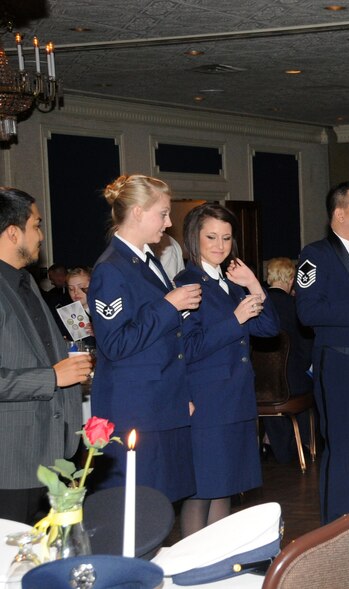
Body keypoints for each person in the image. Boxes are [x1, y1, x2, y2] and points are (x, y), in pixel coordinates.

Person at [88, 174, 203, 502]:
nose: (168, 223)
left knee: (163, 505)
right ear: (137, 212)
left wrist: (182, 394)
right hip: (136, 409)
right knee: (140, 509)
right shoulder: (111, 268)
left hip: (162, 403)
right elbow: (115, 344)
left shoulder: (147, 260)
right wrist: (169, 306)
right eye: (163, 213)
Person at [175, 203, 279, 536]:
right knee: (201, 491)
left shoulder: (231, 282)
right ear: (195, 238)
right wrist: (235, 319)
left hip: (236, 397)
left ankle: (215, 567)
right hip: (207, 400)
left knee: (224, 488)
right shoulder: (187, 282)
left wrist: (253, 284)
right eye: (211, 237)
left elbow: (269, 329)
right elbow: (188, 347)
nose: (219, 246)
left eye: (226, 238)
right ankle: (192, 568)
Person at [0, 187, 91, 523]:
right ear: (13, 232)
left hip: (49, 453)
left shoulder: (24, 281)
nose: (41, 235)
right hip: (11, 461)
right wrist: (53, 377)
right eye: (36, 225)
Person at [296, 181, 349, 524]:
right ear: (339, 214)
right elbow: (308, 312)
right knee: (341, 448)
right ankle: (334, 528)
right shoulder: (315, 254)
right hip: (340, 363)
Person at [262, 257, 314, 463]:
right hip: (291, 383)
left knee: (270, 386)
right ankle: (306, 443)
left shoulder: (257, 304)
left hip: (260, 386)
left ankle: (274, 443)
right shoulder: (296, 308)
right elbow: (306, 351)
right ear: (292, 278)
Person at [66, 266, 96, 346]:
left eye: (81, 287)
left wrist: (99, 334)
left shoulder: (102, 314)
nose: (75, 292)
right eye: (71, 289)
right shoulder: (65, 315)